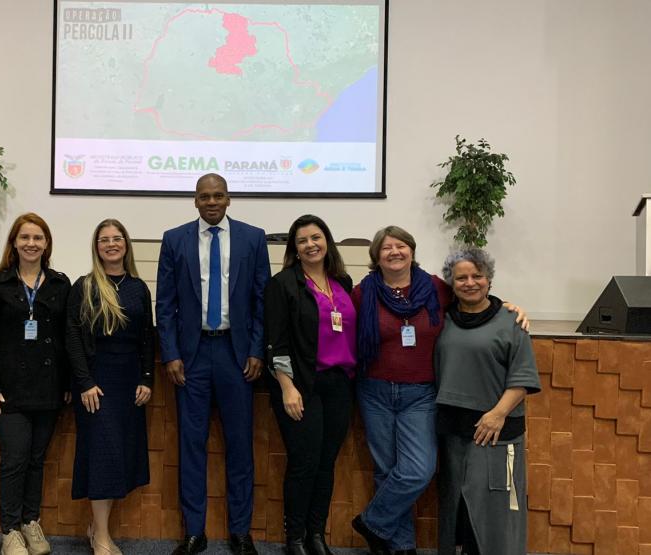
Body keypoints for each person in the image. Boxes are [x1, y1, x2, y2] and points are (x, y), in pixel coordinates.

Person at [350, 226, 527, 555]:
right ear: (375, 256)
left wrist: (508, 307)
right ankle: (401, 545)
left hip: (420, 394)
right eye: (386, 248)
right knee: (388, 470)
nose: (394, 252)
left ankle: (372, 522)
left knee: (418, 469)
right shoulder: (364, 293)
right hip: (374, 390)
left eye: (401, 245)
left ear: (412, 251)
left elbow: (473, 297)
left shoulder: (434, 288)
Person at [156, 173, 270, 555]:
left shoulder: (253, 238)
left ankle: (240, 532)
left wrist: (257, 351)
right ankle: (194, 532)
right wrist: (170, 353)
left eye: (218, 195)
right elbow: (165, 304)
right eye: (204, 196)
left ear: (229, 199)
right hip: (192, 357)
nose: (212, 202)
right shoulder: (175, 239)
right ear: (195, 201)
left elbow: (261, 302)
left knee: (240, 445)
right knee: (192, 446)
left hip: (237, 356)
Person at [0, 213, 71, 555]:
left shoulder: (60, 284)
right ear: (14, 243)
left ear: (47, 244)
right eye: (25, 237)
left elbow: (67, 338)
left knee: (36, 459)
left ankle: (31, 522)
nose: (31, 243)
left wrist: (69, 382)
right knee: (14, 458)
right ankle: (10, 530)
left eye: (38, 238)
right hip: (7, 390)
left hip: (49, 388)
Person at [434, 248, 540, 555]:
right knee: (458, 513)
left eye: (477, 276)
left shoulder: (511, 322)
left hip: (496, 432)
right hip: (453, 432)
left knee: (497, 515)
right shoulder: (442, 321)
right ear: (451, 284)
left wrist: (497, 414)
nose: (470, 283)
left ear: (489, 280)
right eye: (461, 277)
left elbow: (522, 379)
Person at [263, 215, 357, 555]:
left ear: (327, 242)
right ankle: (296, 539)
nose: (310, 244)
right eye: (302, 240)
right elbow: (276, 341)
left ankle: (317, 534)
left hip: (339, 385)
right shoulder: (283, 284)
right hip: (301, 385)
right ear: (294, 249)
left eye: (316, 237)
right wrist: (287, 387)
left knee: (325, 462)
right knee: (304, 462)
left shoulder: (343, 282)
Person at [67, 219, 155, 555]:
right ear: (96, 247)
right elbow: (72, 337)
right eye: (104, 239)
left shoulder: (138, 288)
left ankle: (97, 527)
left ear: (126, 245)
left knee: (119, 456)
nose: (111, 244)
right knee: (102, 454)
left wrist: (147, 378)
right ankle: (101, 536)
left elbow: (147, 338)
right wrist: (85, 382)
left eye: (117, 238)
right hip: (95, 383)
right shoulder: (85, 286)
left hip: (128, 382)